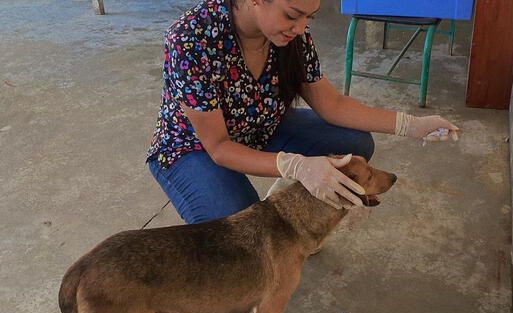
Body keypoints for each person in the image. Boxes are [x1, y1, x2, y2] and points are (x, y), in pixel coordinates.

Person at [146, 0, 459, 224]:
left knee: (354, 145)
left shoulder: (292, 36)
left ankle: (298, 218)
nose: (301, 28)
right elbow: (219, 147)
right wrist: (294, 165)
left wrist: (410, 124)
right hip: (194, 147)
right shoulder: (192, 38)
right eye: (293, 15)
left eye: (310, 17)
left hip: (261, 126)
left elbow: (331, 104)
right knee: (241, 229)